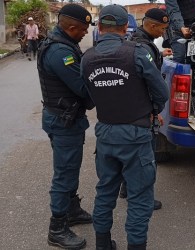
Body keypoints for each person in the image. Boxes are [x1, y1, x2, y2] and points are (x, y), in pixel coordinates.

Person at [81, 4, 169, 250]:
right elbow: (161, 92)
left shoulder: (87, 57)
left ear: (99, 27)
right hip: (136, 135)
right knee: (140, 197)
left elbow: (88, 96)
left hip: (106, 134)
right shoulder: (137, 53)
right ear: (125, 27)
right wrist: (153, 111)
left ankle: (102, 244)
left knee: (105, 191)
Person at [37, 4, 94, 249]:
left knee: (70, 168)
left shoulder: (61, 43)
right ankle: (57, 228)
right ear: (71, 27)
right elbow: (82, 88)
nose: (84, 34)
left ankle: (71, 210)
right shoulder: (61, 52)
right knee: (65, 174)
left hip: (65, 118)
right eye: (82, 30)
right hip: (64, 121)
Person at [118, 7, 173, 211]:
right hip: (144, 108)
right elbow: (150, 83)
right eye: (162, 29)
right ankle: (143, 199)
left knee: (132, 154)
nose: (163, 33)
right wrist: (156, 110)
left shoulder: (137, 42)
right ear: (151, 25)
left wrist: (159, 52)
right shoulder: (143, 46)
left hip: (133, 107)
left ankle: (126, 188)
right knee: (146, 159)